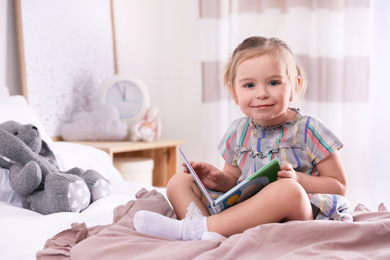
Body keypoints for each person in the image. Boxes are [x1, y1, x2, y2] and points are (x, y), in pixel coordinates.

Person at [133, 36, 349, 240]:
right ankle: (204, 232)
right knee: (179, 181)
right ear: (235, 93)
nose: (262, 93)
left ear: (294, 87)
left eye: (274, 83)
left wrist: (299, 180)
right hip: (247, 212)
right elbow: (233, 182)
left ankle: (198, 229)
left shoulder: (309, 129)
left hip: (296, 214)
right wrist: (217, 178)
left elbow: (339, 185)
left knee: (287, 190)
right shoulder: (239, 131)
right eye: (249, 85)